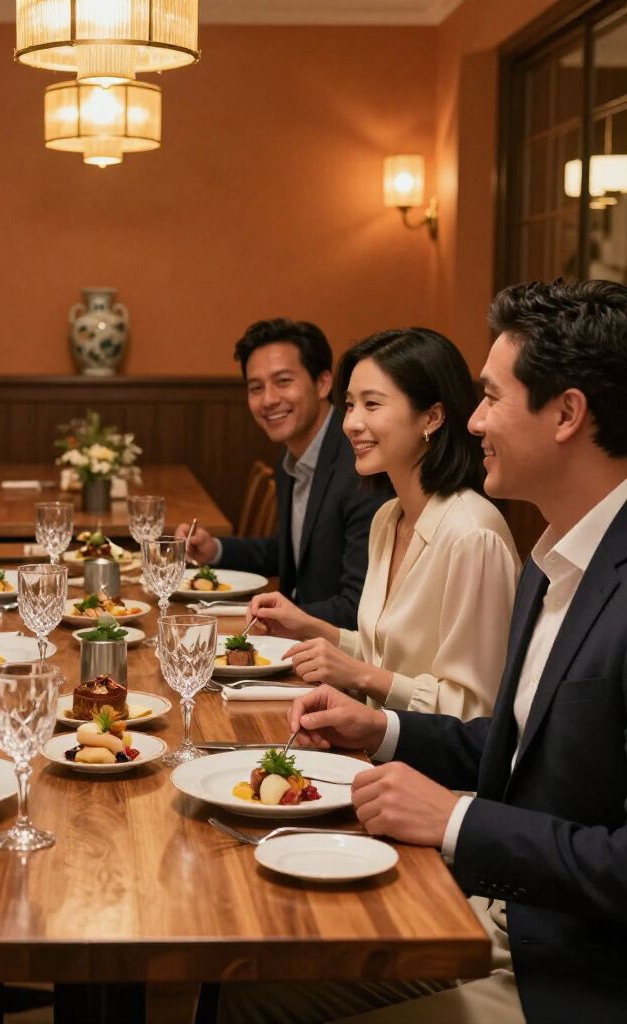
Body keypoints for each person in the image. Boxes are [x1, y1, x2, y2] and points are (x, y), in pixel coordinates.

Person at [219, 278, 627, 1024]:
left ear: (567, 414)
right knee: (241, 978)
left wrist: (455, 821)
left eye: (492, 398)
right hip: (489, 906)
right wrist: (383, 729)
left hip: (562, 975)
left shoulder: (504, 542)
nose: (474, 423)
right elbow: (510, 751)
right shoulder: (553, 560)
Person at [249, 328, 520, 720]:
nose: (351, 423)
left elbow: (478, 712)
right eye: (350, 405)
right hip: (378, 750)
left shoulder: (472, 535)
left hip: (438, 776)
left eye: (372, 405)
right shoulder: (388, 517)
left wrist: (361, 676)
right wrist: (308, 626)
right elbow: (387, 654)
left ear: (432, 416)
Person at [175, 318, 389, 628]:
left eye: (283, 381)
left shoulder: (358, 464)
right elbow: (289, 551)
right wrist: (215, 549)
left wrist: (275, 619)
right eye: (256, 388)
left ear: (323, 383)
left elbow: (358, 606)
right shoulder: (292, 456)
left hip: (332, 653)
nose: (269, 399)